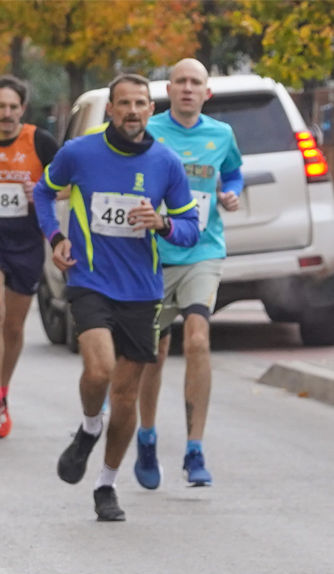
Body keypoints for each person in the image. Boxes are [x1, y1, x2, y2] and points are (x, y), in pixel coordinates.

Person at [34, 72, 199, 521]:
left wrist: (162, 223)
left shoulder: (166, 163)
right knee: (99, 369)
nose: (132, 111)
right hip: (90, 279)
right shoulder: (79, 153)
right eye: (124, 103)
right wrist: (56, 238)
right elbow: (43, 192)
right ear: (110, 110)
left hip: (142, 290)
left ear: (151, 109)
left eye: (140, 103)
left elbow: (190, 229)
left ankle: (105, 485)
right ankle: (90, 426)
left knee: (126, 398)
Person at [133, 58, 243, 489]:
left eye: (195, 82)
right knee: (154, 352)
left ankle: (195, 449)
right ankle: (146, 436)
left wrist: (231, 193)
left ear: (206, 92)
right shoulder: (151, 131)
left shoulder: (222, 134)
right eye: (180, 81)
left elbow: (233, 173)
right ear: (169, 89)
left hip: (202, 250)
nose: (187, 88)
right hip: (153, 255)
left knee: (197, 339)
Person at [0, 74, 58, 438]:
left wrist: (40, 191)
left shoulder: (40, 141)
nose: (5, 113)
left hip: (25, 244)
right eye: (0, 107)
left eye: (12, 106)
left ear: (22, 109)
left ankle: (2, 393)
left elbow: (67, 184)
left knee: (13, 326)